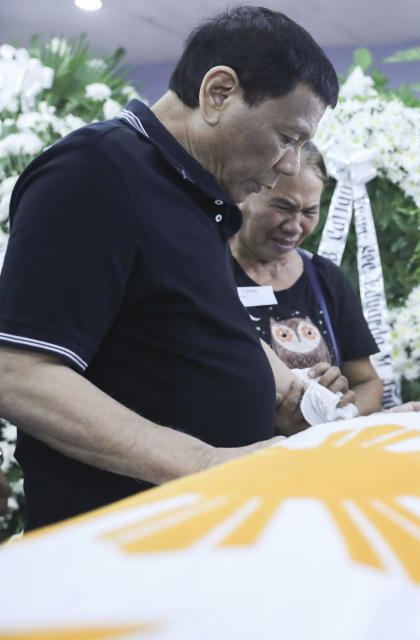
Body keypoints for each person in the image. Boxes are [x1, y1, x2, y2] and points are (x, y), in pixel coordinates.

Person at [0, 7, 338, 530]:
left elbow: (182, 337)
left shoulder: (196, 197)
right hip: (116, 551)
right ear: (218, 93)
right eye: (288, 138)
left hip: (199, 540)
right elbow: (17, 373)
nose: (291, 165)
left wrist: (332, 421)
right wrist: (201, 462)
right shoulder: (96, 171)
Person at [230, 142, 384, 416]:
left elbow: (368, 382)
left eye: (309, 212)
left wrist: (337, 416)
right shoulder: (210, 272)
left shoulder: (326, 280)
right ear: (245, 195)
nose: (294, 226)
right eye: (282, 207)